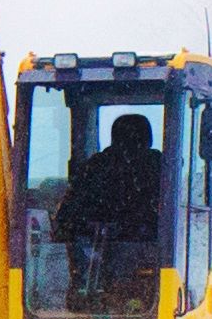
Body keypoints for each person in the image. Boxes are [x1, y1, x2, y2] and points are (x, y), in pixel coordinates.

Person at [62, 104, 171, 304]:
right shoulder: (159, 166)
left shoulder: (96, 166)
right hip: (140, 247)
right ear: (148, 138)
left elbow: (68, 215)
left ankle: (88, 295)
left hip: (97, 251)